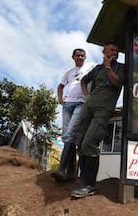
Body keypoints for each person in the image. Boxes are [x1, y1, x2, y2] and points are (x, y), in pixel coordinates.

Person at [71, 40, 125, 198]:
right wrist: (87, 96)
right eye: (112, 49)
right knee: (80, 142)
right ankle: (82, 181)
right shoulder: (96, 69)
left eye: (117, 50)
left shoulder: (120, 68)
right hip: (88, 108)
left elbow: (117, 82)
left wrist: (109, 66)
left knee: (90, 142)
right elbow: (83, 81)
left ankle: (89, 185)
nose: (115, 52)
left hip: (103, 110)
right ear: (104, 51)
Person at [51, 48, 95, 183]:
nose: (80, 58)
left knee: (71, 134)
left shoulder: (91, 66)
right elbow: (60, 86)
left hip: (80, 103)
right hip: (67, 104)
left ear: (85, 57)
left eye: (82, 55)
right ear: (73, 57)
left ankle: (61, 169)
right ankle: (70, 173)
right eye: (78, 56)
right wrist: (60, 99)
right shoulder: (68, 71)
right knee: (65, 137)